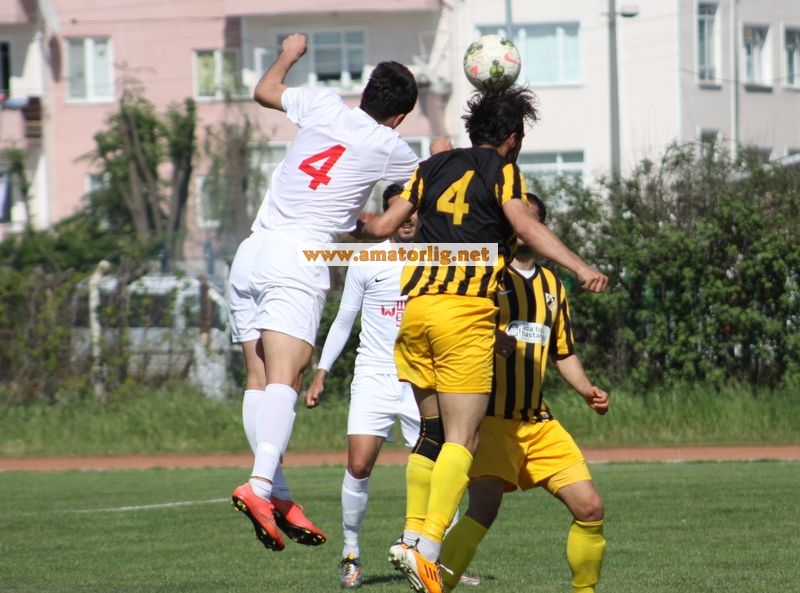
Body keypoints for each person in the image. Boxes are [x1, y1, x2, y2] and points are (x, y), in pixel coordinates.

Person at [356, 88, 608, 593]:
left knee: (432, 432)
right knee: (462, 439)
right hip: (462, 312)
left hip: (417, 311)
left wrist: (327, 228)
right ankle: (425, 547)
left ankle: (414, 535)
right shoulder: (503, 170)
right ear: (513, 138)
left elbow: (380, 225)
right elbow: (524, 225)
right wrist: (580, 266)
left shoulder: (430, 168)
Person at [227, 33, 450, 552]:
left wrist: (289, 54)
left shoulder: (322, 103)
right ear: (399, 116)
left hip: (252, 252)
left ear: (366, 92)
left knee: (258, 380)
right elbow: (398, 214)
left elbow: (265, 91)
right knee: (286, 377)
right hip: (297, 260)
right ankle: (259, 484)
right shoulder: (391, 147)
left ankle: (278, 494)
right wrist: (442, 157)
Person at [306, 185, 482, 589]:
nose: (407, 219)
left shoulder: (439, 258)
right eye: (398, 212)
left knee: (440, 466)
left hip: (424, 378)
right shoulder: (366, 260)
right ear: (387, 218)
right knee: (358, 464)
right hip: (374, 375)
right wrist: (321, 371)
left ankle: (436, 558)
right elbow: (344, 320)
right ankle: (351, 553)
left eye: (412, 211)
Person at [437, 194, 609, 593]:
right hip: (491, 419)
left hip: (538, 422)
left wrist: (587, 389)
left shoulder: (553, 285)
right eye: (519, 219)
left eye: (534, 221)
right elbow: (454, 327)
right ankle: (435, 586)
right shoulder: (486, 275)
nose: (525, 227)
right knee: (484, 509)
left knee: (590, 507)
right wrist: (488, 335)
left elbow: (563, 351)